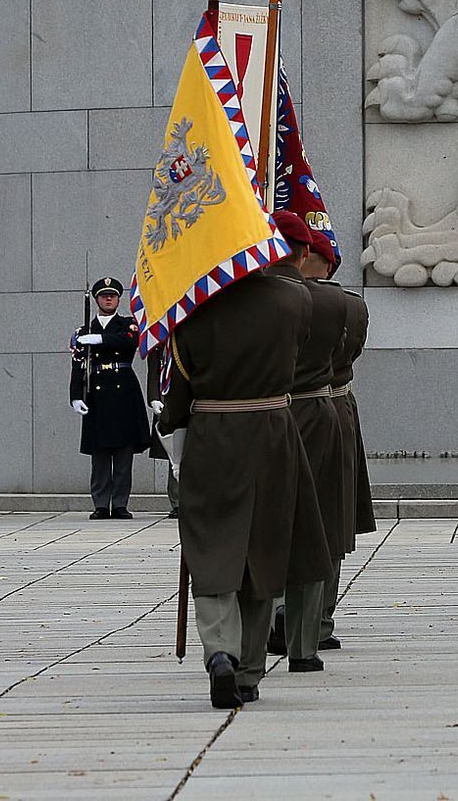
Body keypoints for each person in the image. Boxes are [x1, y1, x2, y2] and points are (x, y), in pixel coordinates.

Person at [157, 237, 332, 710]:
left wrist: (166, 420)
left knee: (213, 546)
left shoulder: (193, 311)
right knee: (264, 547)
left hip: (214, 435)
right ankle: (250, 670)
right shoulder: (294, 299)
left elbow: (178, 392)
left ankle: (220, 653)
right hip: (274, 434)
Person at [274, 213, 347, 672]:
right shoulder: (342, 305)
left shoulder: (245, 300)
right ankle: (307, 635)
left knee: (266, 522)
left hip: (264, 415)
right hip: (319, 412)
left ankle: (265, 625)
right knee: (317, 522)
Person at [320, 230, 372, 649]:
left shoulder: (286, 302)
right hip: (339, 409)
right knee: (333, 516)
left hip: (289, 412)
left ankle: (286, 611)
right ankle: (320, 621)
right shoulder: (354, 306)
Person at [68, 276, 149, 520]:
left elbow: (129, 342)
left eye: (112, 295)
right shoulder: (83, 330)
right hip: (97, 393)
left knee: (124, 453)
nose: (109, 298)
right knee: (100, 452)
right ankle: (101, 503)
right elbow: (78, 365)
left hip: (123, 390)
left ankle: (121, 503)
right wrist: (75, 396)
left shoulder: (128, 324)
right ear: (96, 300)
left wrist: (100, 339)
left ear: (118, 299)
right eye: (104, 296)